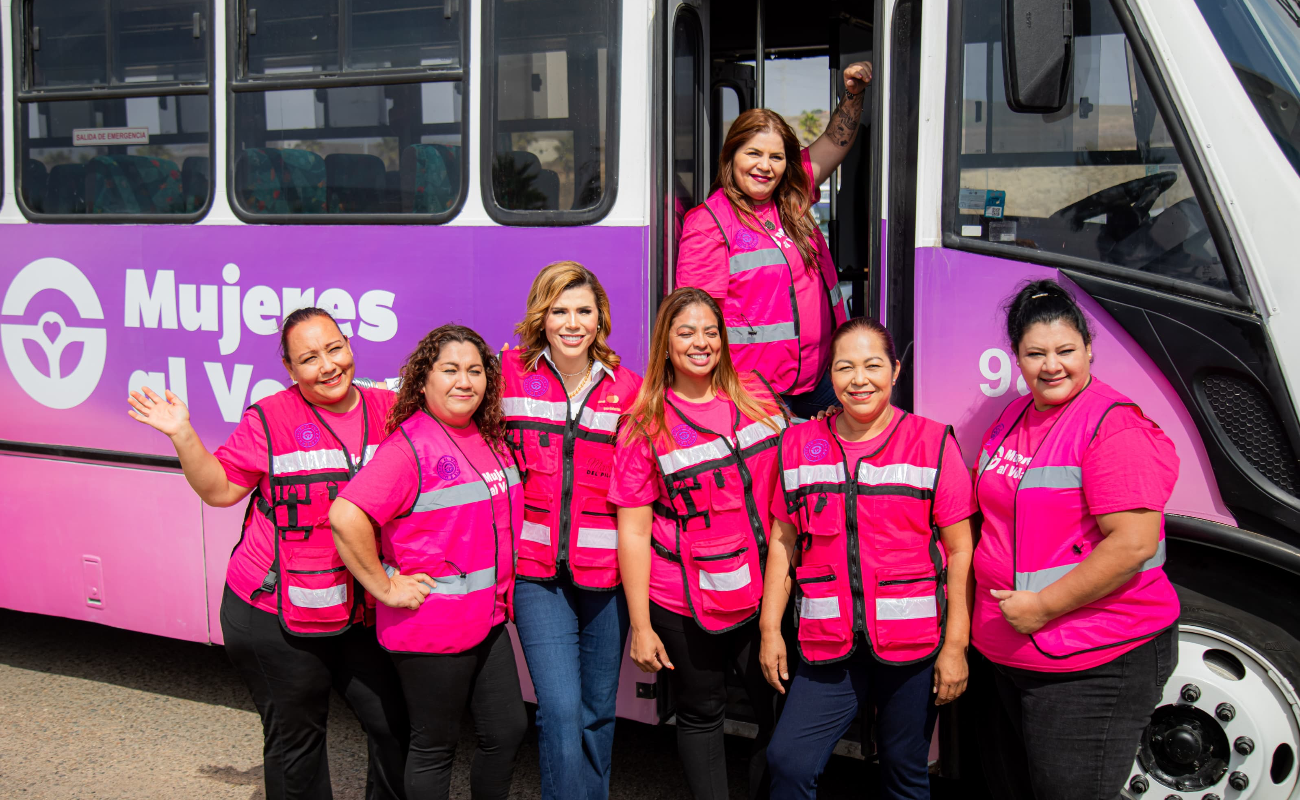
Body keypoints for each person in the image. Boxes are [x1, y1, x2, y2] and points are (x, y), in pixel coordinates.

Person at [127, 307, 408, 800]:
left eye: (334, 349)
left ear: (350, 346)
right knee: (297, 746)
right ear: (289, 368)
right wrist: (182, 434)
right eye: (309, 358)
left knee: (392, 726)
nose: (327, 366)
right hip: (272, 614)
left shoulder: (391, 409)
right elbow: (219, 490)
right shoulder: (270, 417)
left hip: (357, 609)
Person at [973, 280, 1180, 800]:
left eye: (1066, 351)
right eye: (1035, 353)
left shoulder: (1113, 428)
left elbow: (1133, 544)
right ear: (1016, 358)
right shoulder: (1015, 417)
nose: (1052, 366)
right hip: (1015, 654)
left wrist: (1042, 607)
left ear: (1089, 349)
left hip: (1089, 659)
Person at [759, 317, 976, 800]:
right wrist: (770, 629)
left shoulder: (933, 442)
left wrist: (956, 646)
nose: (860, 379)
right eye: (845, 367)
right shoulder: (797, 446)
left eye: (873, 365)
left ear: (895, 371)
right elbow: (783, 542)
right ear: (830, 376)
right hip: (827, 644)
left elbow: (961, 550)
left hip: (914, 648)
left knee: (904, 772)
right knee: (788, 762)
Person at [329, 324, 527, 800]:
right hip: (432, 628)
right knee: (435, 746)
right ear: (423, 381)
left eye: (476, 371)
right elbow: (345, 515)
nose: (466, 381)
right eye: (451, 370)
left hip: (487, 618)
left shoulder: (486, 436)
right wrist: (385, 587)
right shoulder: (410, 447)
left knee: (506, 731)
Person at [610, 287, 788, 800]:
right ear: (665, 343)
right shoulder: (645, 423)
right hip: (683, 600)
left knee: (782, 706)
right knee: (702, 712)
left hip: (765, 590)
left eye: (711, 332)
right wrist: (641, 626)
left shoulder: (756, 394)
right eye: (686, 333)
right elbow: (634, 532)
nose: (701, 343)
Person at [500, 261, 643, 800]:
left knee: (596, 714)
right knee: (559, 711)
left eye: (583, 311)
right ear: (542, 315)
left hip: (605, 579)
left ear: (600, 317)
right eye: (560, 310)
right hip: (535, 576)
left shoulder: (629, 389)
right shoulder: (507, 373)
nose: (572, 322)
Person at [675, 61, 872, 420]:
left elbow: (835, 140)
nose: (765, 166)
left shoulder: (793, 196)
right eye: (753, 153)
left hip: (818, 380)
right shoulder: (709, 223)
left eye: (776, 157)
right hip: (754, 392)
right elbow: (697, 322)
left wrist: (853, 95)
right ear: (731, 156)